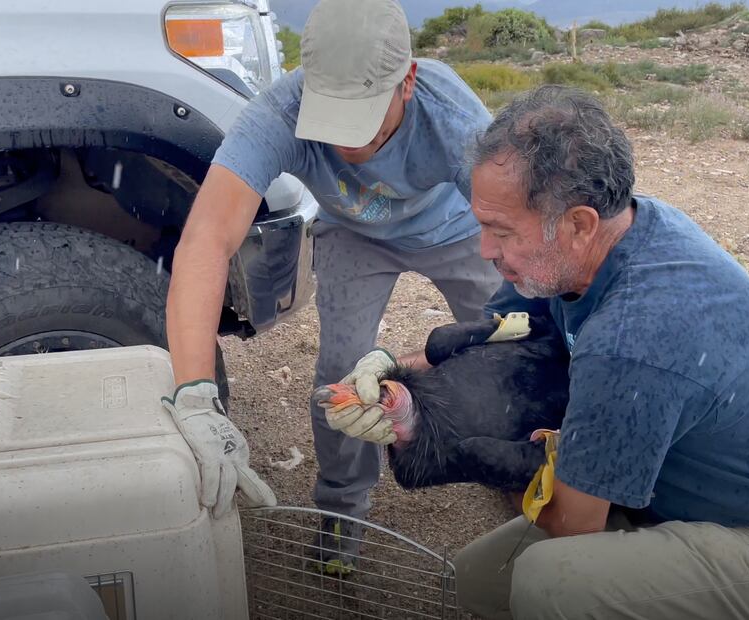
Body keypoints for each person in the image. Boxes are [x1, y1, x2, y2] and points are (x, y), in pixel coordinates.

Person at [328, 85, 749, 619]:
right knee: (477, 582)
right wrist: (400, 378)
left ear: (578, 224)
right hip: (665, 498)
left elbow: (572, 523)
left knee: (548, 583)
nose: (485, 251)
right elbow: (510, 339)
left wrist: (469, 452)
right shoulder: (607, 237)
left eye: (499, 231)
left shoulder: (632, 336)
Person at [160, 0, 501, 575]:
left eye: (365, 117)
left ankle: (512, 466)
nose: (346, 144)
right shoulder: (279, 112)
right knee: (342, 370)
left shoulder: (457, 121)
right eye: (331, 117)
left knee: (502, 348)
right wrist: (194, 394)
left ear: (407, 82)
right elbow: (205, 241)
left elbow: (518, 236)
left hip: (459, 229)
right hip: (355, 233)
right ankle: (344, 509)